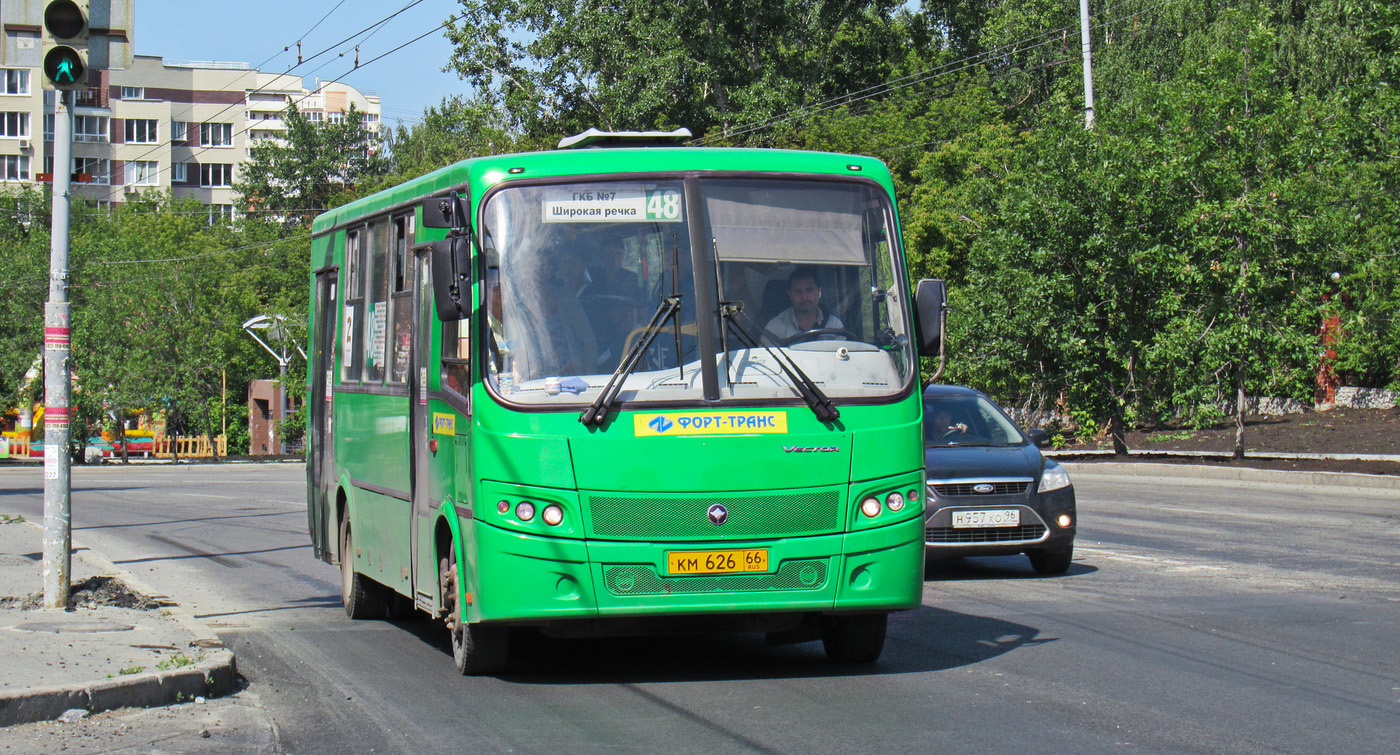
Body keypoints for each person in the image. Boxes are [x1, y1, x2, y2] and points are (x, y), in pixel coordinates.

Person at [764, 267, 844, 342]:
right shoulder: (775, 328)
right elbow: (765, 356)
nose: (804, 297)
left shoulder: (834, 326)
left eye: (809, 290)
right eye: (798, 291)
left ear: (819, 291)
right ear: (790, 295)